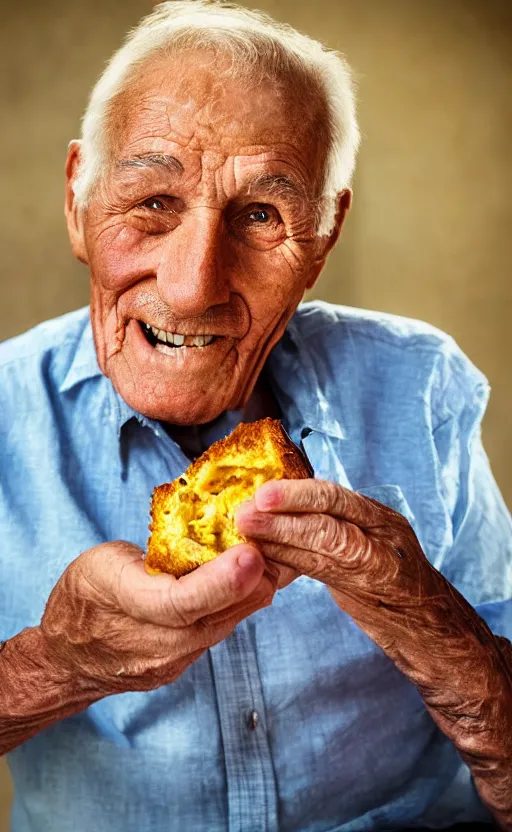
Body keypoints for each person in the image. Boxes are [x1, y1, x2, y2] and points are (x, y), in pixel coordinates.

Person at [0, 2, 511, 830]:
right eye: (152, 201)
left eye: (261, 215)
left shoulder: (421, 386)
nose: (195, 283)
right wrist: (56, 664)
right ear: (77, 200)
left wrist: (427, 621)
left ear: (325, 233)